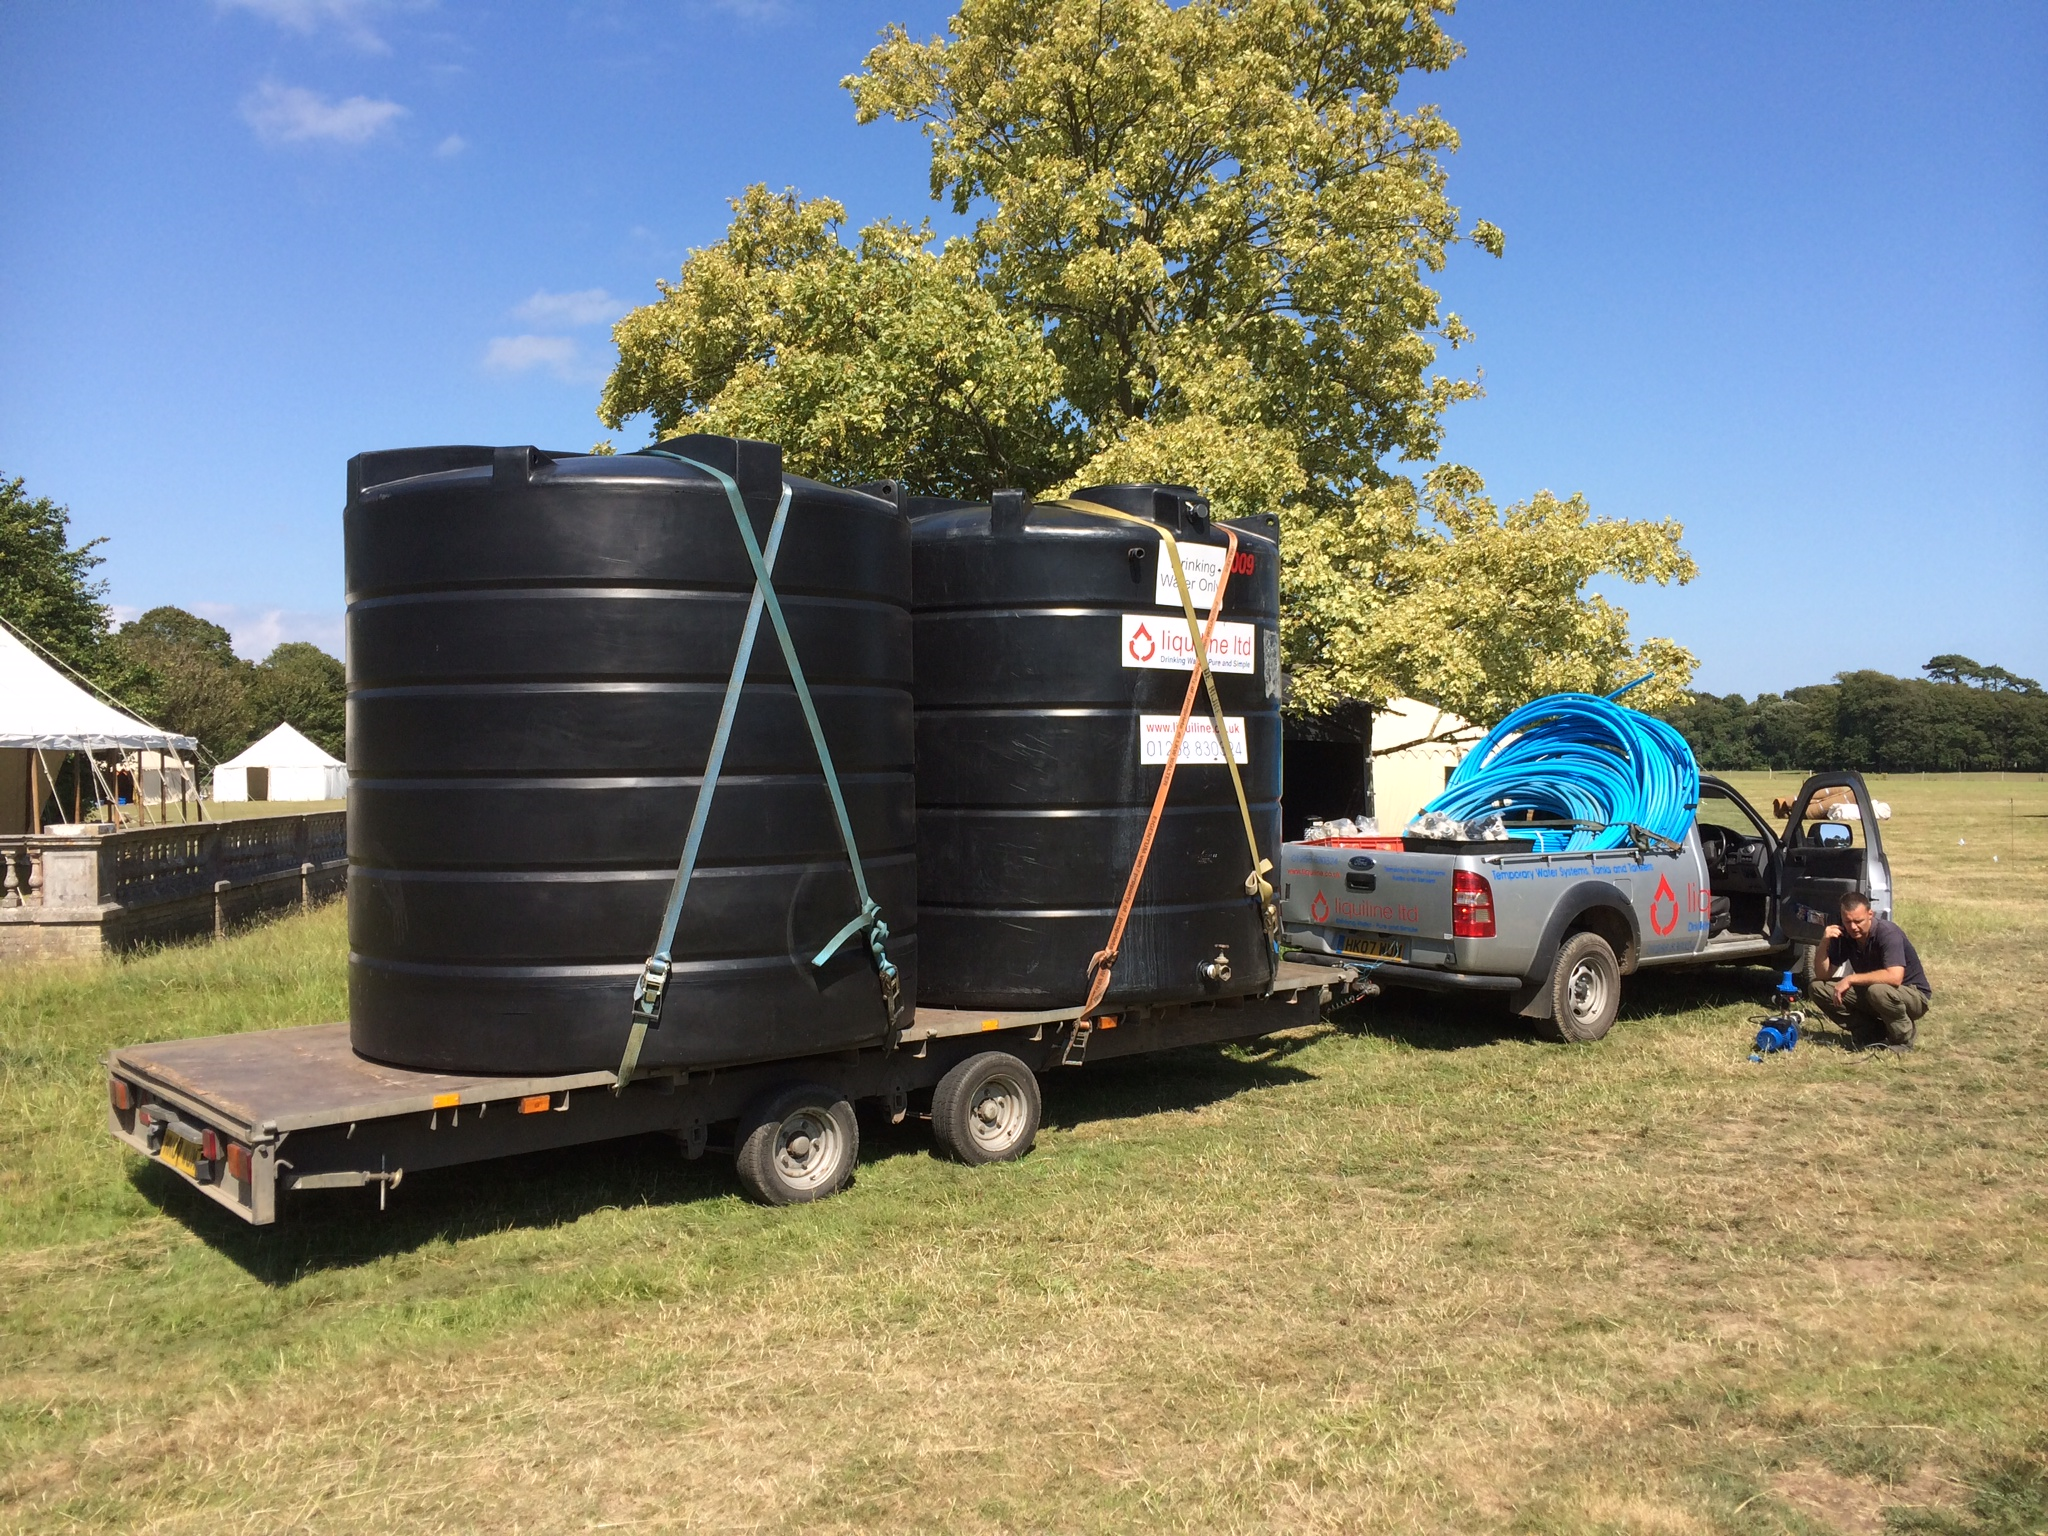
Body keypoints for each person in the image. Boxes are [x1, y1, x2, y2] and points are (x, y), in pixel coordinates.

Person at [1805, 892, 1932, 1049]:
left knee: (1877, 991)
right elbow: (1822, 974)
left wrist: (1851, 979)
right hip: (1874, 992)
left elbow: (1895, 977)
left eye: (1858, 921)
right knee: (1818, 988)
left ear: (1870, 914)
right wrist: (1824, 942)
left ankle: (1902, 1039)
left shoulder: (1887, 933)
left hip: (1913, 996)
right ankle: (1870, 1033)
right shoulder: (1846, 934)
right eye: (1848, 921)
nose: (1853, 927)